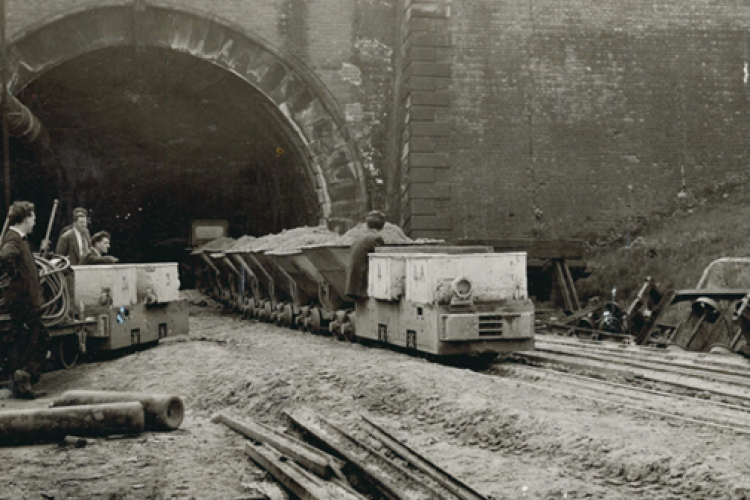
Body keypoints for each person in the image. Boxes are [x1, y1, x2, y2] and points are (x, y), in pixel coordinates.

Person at [0, 201, 50, 399]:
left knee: (28, 341)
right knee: (35, 341)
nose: (35, 222)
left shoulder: (19, 239)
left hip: (24, 301)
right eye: (33, 218)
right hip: (23, 302)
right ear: (25, 218)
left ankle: (21, 382)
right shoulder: (13, 239)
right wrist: (16, 279)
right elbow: (5, 257)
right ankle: (24, 378)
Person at [345, 210, 386, 301]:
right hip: (362, 285)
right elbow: (382, 262)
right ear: (382, 226)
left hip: (353, 284)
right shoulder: (376, 238)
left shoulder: (359, 238)